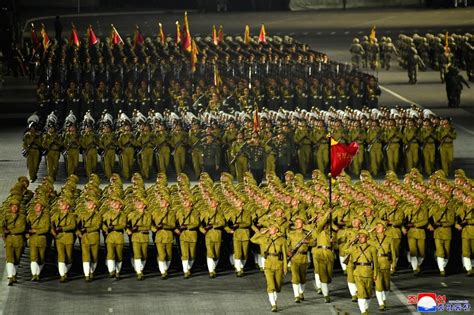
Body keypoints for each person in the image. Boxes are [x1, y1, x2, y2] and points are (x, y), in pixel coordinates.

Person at [251, 225, 288, 312]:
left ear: (277, 229)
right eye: (269, 227)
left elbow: (285, 255)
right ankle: (274, 305)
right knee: (270, 286)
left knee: (277, 286)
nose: (270, 229)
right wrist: (261, 233)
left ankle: (274, 301)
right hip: (268, 264)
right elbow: (252, 239)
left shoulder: (282, 240)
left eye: (272, 228)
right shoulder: (265, 238)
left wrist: (285, 267)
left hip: (278, 263)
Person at [346, 229, 379, 315]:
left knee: (368, 294)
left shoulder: (372, 248)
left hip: (368, 273)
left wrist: (375, 274)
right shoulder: (354, 248)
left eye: (362, 236)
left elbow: (375, 263)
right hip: (358, 273)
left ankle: (365, 308)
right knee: (361, 293)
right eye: (359, 236)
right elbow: (344, 250)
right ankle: (363, 311)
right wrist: (352, 241)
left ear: (367, 238)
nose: (360, 238)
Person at [77, 195, 102, 282]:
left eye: (90, 202)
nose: (88, 204)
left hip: (94, 237)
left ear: (95, 205)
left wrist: (87, 229)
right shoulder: (82, 214)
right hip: (84, 237)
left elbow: (97, 226)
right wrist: (79, 233)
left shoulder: (98, 215)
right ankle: (87, 274)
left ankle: (92, 271)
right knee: (86, 256)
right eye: (87, 202)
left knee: (94, 257)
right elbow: (77, 226)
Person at [51, 197, 77, 283]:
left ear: (68, 206)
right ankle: (62, 275)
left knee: (69, 257)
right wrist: (54, 232)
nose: (60, 205)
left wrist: (62, 229)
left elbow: (72, 226)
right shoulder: (56, 215)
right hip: (59, 238)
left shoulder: (72, 216)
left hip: (68, 238)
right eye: (60, 204)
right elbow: (51, 224)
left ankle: (65, 271)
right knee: (61, 256)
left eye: (63, 204)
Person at [2, 199, 26, 286]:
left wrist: (10, 231)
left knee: (16, 259)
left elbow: (22, 228)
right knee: (9, 259)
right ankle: (10, 276)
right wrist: (4, 233)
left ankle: (14, 274)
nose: (14, 208)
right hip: (9, 240)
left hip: (18, 240)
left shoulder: (22, 217)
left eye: (16, 207)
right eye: (13, 206)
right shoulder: (6, 217)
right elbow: (2, 226)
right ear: (10, 207)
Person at [370, 221, 394, 311]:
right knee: (378, 285)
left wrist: (393, 263)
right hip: (376, 264)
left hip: (386, 263)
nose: (377, 228)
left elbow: (393, 253)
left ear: (384, 229)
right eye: (376, 227)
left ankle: (384, 300)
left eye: (379, 226)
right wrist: (372, 229)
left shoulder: (389, 239)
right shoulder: (372, 239)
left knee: (386, 286)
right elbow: (363, 235)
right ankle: (381, 304)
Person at [127, 196, 152, 280]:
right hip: (135, 236)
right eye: (137, 202)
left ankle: (140, 269)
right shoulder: (132, 214)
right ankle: (139, 272)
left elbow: (148, 226)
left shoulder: (148, 214)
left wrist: (138, 227)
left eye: (140, 203)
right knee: (137, 254)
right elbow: (126, 224)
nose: (137, 204)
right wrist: (128, 230)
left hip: (144, 236)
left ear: (144, 205)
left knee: (144, 255)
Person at [200, 198, 225, 278]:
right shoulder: (206, 212)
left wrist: (214, 225)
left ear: (217, 203)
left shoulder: (220, 213)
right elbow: (200, 223)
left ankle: (213, 268)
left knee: (216, 253)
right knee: (210, 252)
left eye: (213, 202)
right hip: (209, 234)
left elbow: (222, 222)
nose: (211, 203)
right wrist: (202, 230)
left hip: (217, 234)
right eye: (210, 201)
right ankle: (211, 271)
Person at [102, 196, 127, 279]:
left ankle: (117, 271)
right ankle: (111, 271)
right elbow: (103, 224)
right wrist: (106, 229)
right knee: (110, 254)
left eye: (117, 203)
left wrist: (114, 227)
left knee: (119, 256)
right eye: (114, 203)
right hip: (110, 236)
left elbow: (123, 225)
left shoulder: (123, 215)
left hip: (119, 236)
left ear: (120, 205)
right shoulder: (108, 214)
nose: (114, 204)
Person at [175, 197, 199, 278]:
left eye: (186, 201)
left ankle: (188, 268)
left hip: (192, 235)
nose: (184, 202)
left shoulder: (195, 212)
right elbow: (174, 221)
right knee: (185, 254)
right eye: (184, 201)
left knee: (192, 255)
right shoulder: (179, 211)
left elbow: (196, 223)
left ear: (191, 203)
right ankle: (185, 271)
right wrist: (175, 229)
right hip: (183, 235)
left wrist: (187, 226)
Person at [152, 196, 176, 279]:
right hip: (159, 236)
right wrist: (154, 229)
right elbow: (152, 222)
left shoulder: (172, 213)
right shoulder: (156, 212)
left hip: (168, 236)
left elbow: (172, 225)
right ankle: (163, 272)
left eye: (163, 202)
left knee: (168, 255)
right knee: (162, 255)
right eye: (160, 201)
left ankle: (165, 269)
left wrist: (165, 225)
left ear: (167, 204)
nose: (161, 203)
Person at [26, 199, 50, 281]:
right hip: (33, 239)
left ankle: (38, 272)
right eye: (35, 206)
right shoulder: (30, 216)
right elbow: (27, 227)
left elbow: (46, 229)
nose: (36, 207)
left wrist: (36, 231)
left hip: (42, 240)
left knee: (41, 258)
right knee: (33, 258)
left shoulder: (46, 217)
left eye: (38, 206)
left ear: (42, 208)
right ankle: (34, 275)